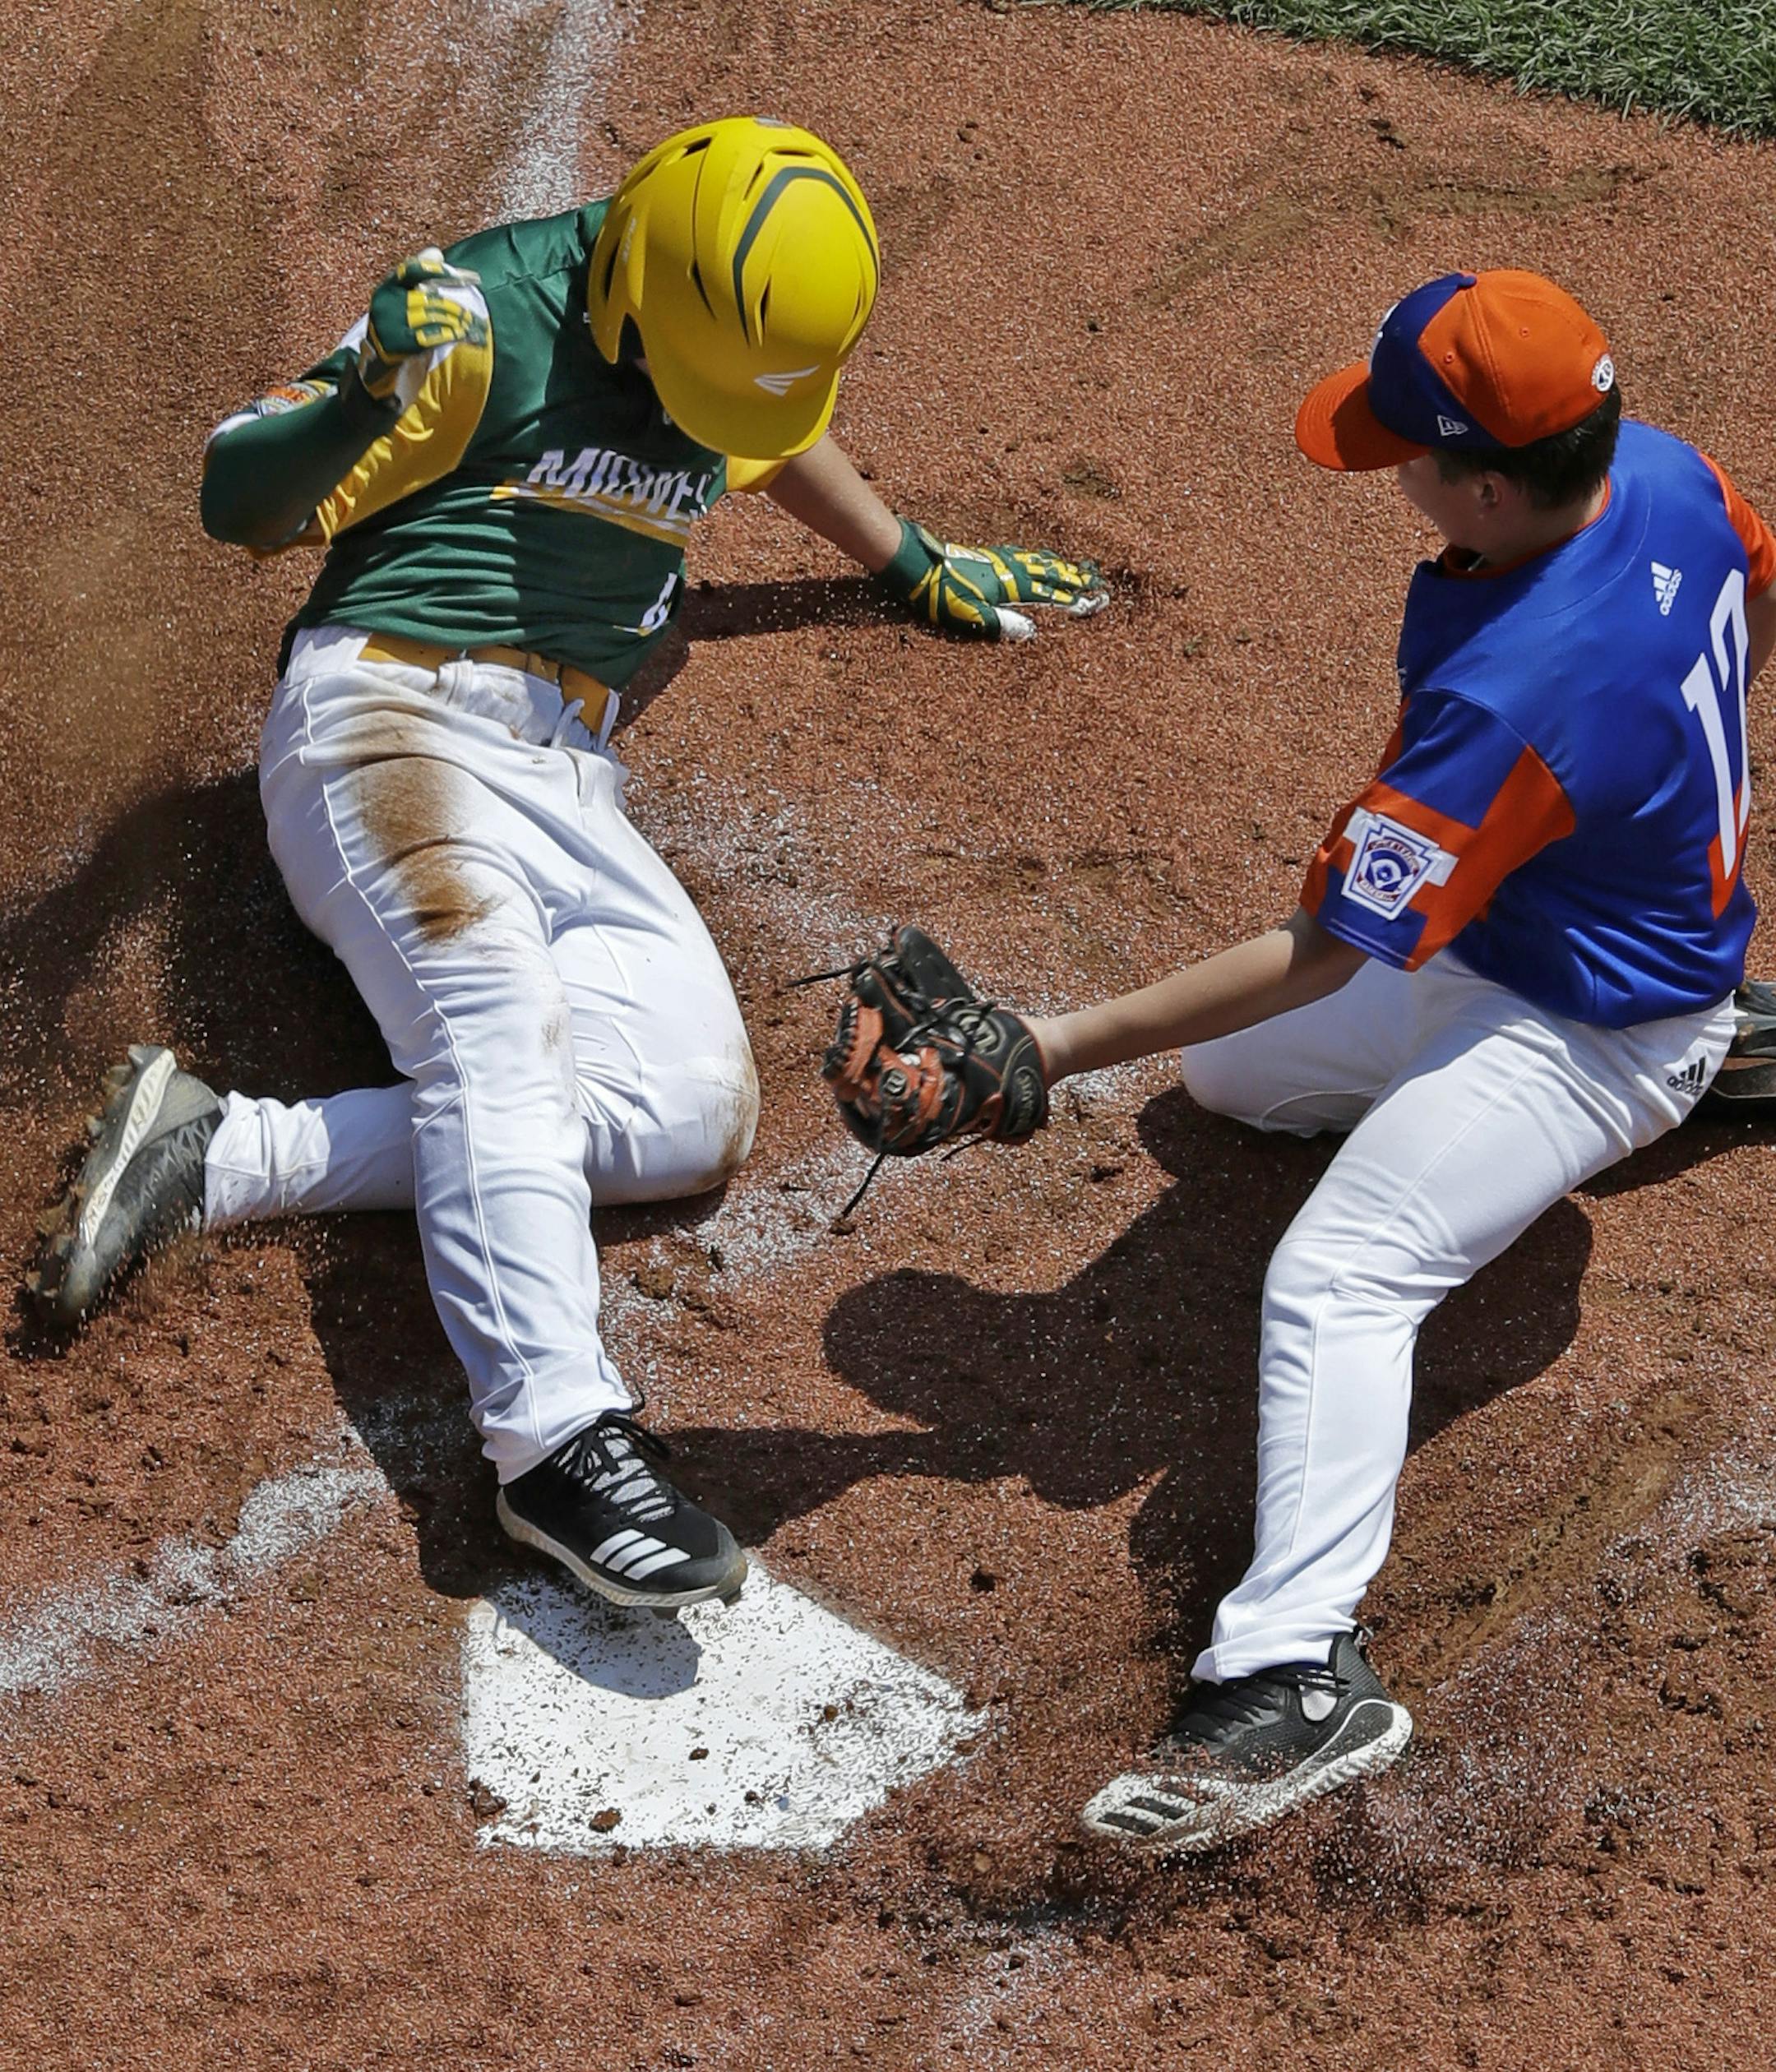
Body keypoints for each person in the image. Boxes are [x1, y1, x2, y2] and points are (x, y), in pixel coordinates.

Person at [30, 117, 1107, 1615]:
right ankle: (558, 1445)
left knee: (685, 1117)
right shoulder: (479, 321)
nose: (701, 413)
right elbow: (238, 501)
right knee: (499, 1037)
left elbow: (770, 417)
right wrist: (363, 401)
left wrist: (908, 557)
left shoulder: (712, 320)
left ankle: (220, 1154)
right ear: (637, 288)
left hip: (567, 770)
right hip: (387, 718)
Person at [995, 269, 1773, 1850]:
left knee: (1338, 1279)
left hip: (1588, 1030)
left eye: (1404, 453)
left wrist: (1050, 1041)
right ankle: (1732, 1018)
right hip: (1535, 946)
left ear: (1491, 480)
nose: (1387, 475)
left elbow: (1330, 945)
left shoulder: (1517, 692)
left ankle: (1296, 1670)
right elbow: (1752, 593)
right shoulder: (1665, 470)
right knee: (1223, 1085)